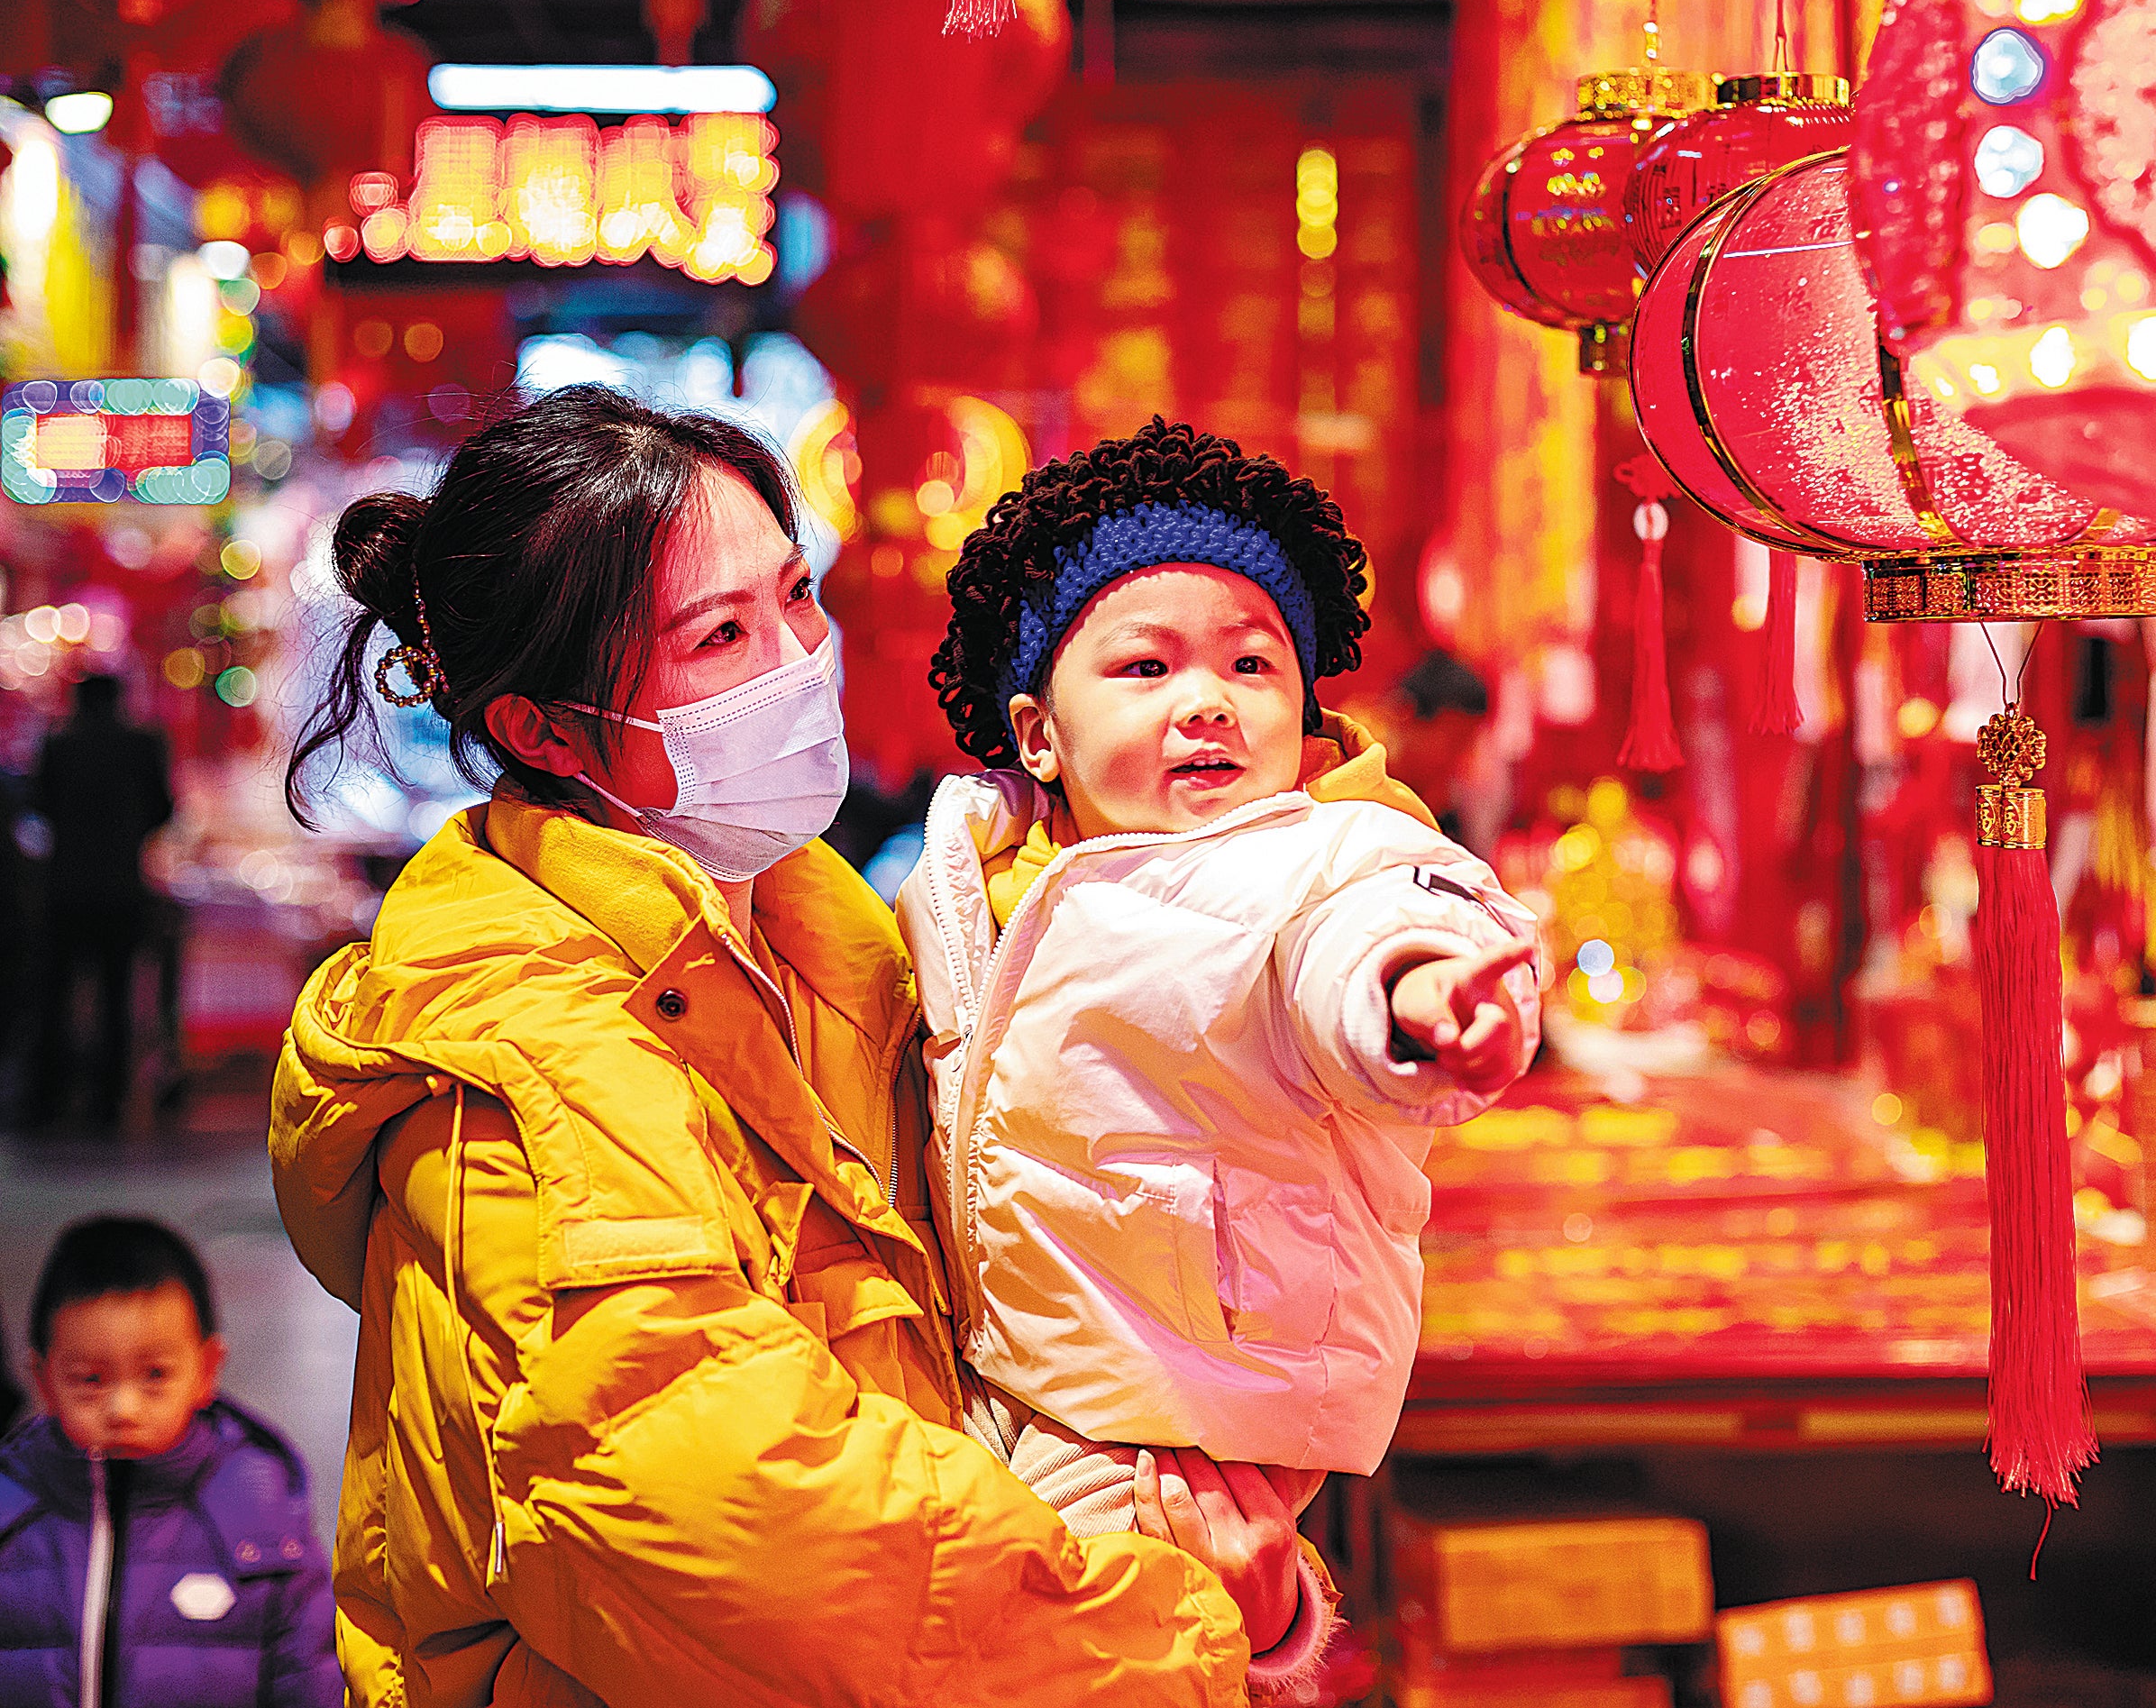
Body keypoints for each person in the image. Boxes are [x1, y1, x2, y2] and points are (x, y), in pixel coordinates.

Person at [270, 385, 1311, 1708]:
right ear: (542, 728)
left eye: (794, 596)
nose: (794, 659)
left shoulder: (834, 946)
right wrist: (1184, 1623)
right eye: (719, 635)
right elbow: (751, 1523)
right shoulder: (515, 1062)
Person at [907, 419, 1543, 1557]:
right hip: (1017, 1367)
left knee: (1073, 1641)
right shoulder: (979, 875)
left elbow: (1358, 936)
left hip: (1193, 1408)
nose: (1207, 701)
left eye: (1251, 665)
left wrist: (1419, 998)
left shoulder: (1316, 855)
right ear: (1038, 734)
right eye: (1147, 668)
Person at [0, 1215, 340, 1707]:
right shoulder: (11, 1512)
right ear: (42, 1377)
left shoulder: (258, 1520)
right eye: (89, 1379)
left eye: (155, 1374)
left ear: (206, 1371)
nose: (123, 1409)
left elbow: (310, 1678)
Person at [32, 674, 174, 1131]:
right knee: (116, 998)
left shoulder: (60, 745)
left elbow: (40, 806)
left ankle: (49, 1099)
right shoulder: (140, 746)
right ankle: (108, 1104)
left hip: (65, 888)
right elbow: (164, 810)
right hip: (121, 888)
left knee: (55, 995)